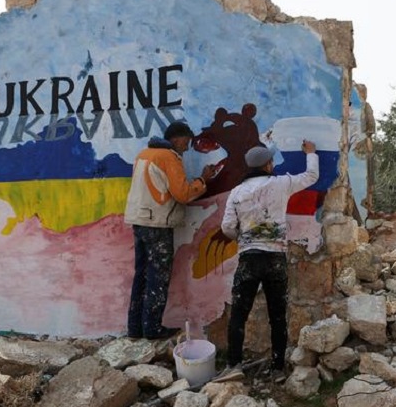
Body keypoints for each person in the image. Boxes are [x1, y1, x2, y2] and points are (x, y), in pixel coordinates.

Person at [218, 140, 318, 381]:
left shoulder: (237, 192)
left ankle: (234, 366)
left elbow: (227, 228)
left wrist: (244, 235)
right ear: (267, 165)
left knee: (239, 314)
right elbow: (311, 176)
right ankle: (277, 369)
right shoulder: (280, 184)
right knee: (277, 315)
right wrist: (311, 153)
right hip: (275, 258)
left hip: (249, 258)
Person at [124, 121, 216, 340]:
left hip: (140, 220)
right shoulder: (169, 157)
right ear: (176, 138)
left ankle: (135, 328)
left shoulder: (144, 154)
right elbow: (182, 194)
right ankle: (153, 329)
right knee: (158, 277)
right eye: (186, 142)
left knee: (142, 275)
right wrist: (204, 180)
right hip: (157, 223)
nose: (187, 147)